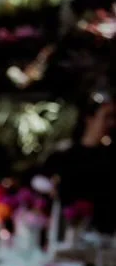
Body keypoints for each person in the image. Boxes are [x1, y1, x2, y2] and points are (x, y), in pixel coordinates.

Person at [45, 94, 116, 235]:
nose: (112, 123)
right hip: (67, 232)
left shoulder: (110, 156)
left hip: (103, 236)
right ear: (89, 119)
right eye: (106, 117)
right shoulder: (65, 154)